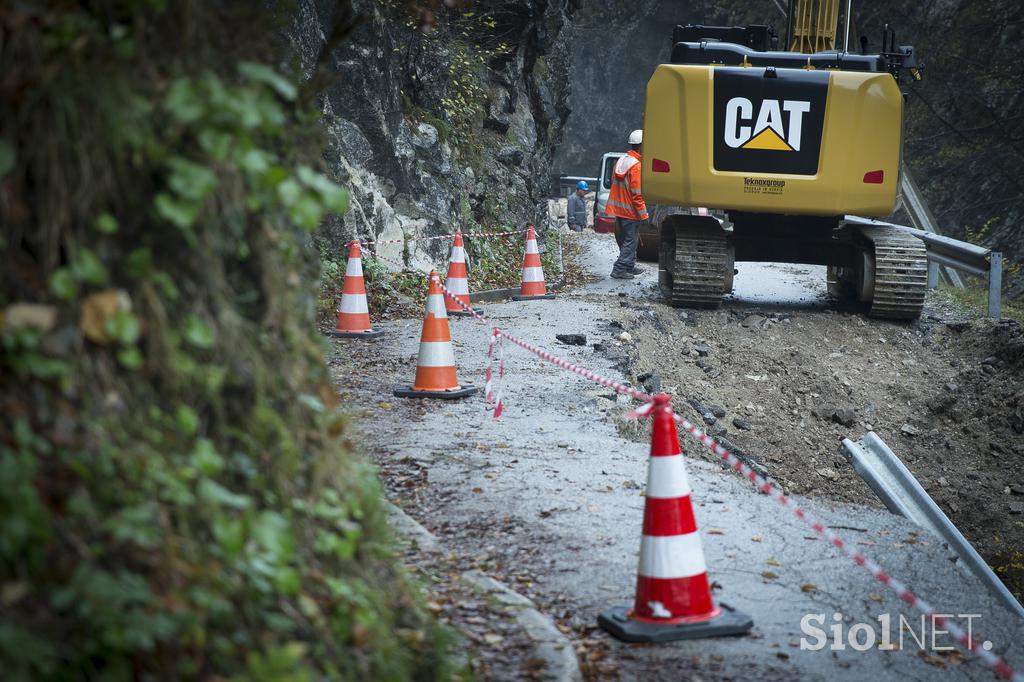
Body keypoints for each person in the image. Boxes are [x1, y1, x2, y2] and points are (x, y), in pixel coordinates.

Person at [604, 129, 648, 279]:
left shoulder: (622, 160)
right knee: (631, 240)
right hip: (630, 211)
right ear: (642, 146)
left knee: (629, 238)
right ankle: (620, 268)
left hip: (619, 209)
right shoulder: (636, 166)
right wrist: (644, 214)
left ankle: (629, 265)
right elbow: (636, 193)